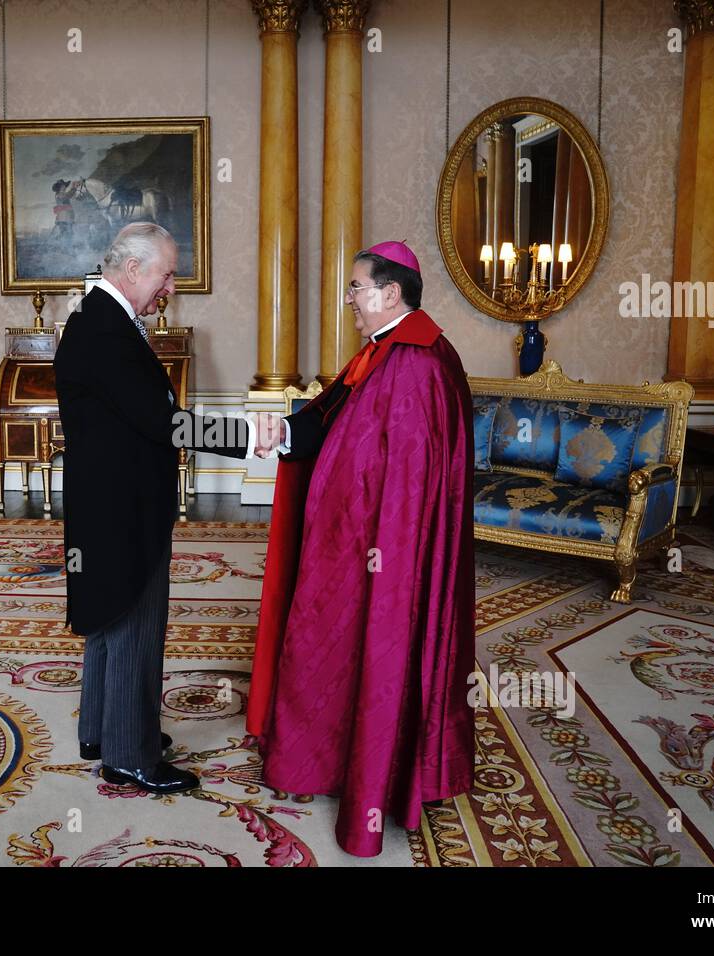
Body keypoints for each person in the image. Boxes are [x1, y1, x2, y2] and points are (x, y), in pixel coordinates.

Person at [247, 240, 476, 856]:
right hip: (348, 543)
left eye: (355, 287)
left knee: (370, 652)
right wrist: (283, 435)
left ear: (391, 293)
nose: (348, 298)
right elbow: (333, 419)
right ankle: (324, 759)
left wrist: (379, 555)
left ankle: (373, 779)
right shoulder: (383, 352)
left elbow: (407, 482)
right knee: (324, 648)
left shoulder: (421, 363)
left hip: (380, 555)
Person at [54, 221, 267, 794]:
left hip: (105, 498)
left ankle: (102, 730)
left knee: (106, 616)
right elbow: (164, 422)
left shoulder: (99, 320)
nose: (171, 286)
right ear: (131, 270)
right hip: (123, 505)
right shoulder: (106, 332)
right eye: (167, 273)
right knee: (132, 621)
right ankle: (129, 755)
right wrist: (249, 435)